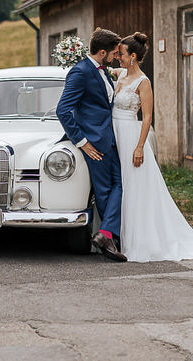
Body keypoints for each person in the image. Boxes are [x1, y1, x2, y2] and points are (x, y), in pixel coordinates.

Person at [113, 32, 193, 262]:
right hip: (114, 134)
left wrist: (139, 147)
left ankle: (140, 240)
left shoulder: (143, 82)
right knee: (120, 185)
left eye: (122, 54)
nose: (118, 57)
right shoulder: (120, 74)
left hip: (131, 137)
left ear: (133, 56)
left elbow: (147, 118)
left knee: (135, 189)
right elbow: (102, 67)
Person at [56, 27, 127, 262]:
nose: (116, 57)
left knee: (119, 184)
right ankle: (110, 240)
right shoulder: (81, 72)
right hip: (94, 143)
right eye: (114, 53)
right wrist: (82, 142)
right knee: (106, 191)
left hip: (110, 138)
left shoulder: (102, 71)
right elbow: (63, 110)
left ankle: (107, 234)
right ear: (103, 52)